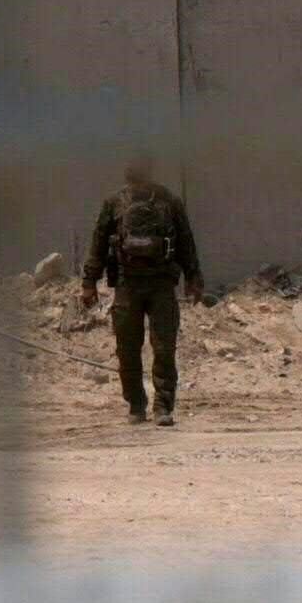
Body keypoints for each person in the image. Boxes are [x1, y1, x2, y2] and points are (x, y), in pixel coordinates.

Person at [80, 153, 203, 427]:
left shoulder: (169, 201)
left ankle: (162, 406)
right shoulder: (113, 203)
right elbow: (98, 243)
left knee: (163, 348)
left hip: (161, 284)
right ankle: (136, 404)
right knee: (127, 349)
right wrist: (89, 282)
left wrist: (194, 277)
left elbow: (185, 241)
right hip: (126, 284)